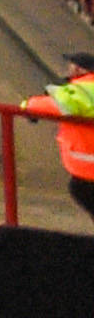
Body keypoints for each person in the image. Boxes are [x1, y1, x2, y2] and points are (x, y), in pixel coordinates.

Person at [55, 51, 94, 223]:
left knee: (79, 188)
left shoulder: (82, 89)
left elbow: (55, 105)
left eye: (71, 63)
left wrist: (27, 106)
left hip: (89, 166)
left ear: (78, 68)